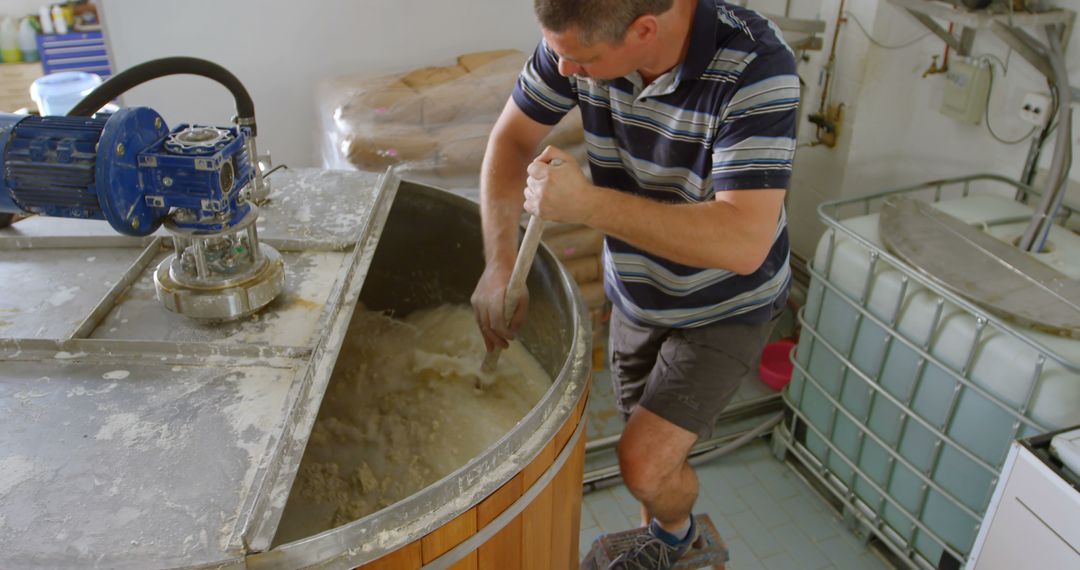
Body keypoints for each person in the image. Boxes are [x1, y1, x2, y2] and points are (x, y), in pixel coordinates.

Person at [471, 0, 798, 567]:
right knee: (645, 452)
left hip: (723, 303)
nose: (565, 70)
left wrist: (588, 204)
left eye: (582, 59)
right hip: (637, 292)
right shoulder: (576, 40)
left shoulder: (756, 66)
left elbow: (742, 242)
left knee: (642, 464)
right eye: (559, 54)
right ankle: (660, 535)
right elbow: (510, 142)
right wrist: (499, 262)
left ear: (645, 29)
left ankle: (679, 538)